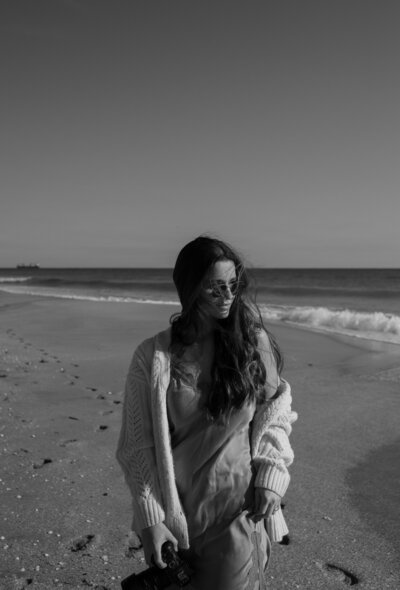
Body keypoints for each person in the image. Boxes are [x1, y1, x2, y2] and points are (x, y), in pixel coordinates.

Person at [116, 236, 297, 590]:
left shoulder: (252, 344)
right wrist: (150, 519)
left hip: (240, 516)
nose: (228, 296)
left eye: (232, 285)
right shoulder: (153, 357)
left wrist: (272, 473)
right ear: (190, 289)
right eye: (215, 288)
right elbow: (137, 447)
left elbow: (277, 409)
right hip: (179, 522)